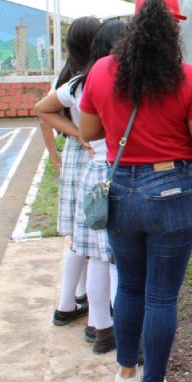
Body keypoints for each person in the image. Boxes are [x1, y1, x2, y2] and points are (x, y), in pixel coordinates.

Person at [79, 0, 192, 382]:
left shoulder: (102, 71)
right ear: (173, 27)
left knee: (131, 286)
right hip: (171, 190)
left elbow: (88, 131)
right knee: (161, 296)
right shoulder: (187, 77)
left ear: (134, 22)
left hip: (120, 188)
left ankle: (127, 375)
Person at [37, 19, 128, 354]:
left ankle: (98, 325)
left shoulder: (76, 83)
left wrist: (77, 135)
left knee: (91, 252)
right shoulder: (118, 83)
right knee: (111, 255)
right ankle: (110, 323)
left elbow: (41, 109)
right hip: (115, 172)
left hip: (90, 171)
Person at [42, 16, 101, 328]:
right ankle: (92, 313)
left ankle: (72, 300)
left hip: (77, 154)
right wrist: (81, 134)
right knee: (94, 241)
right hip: (94, 155)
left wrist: (63, 147)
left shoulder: (66, 77)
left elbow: (44, 113)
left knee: (80, 238)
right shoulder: (89, 79)